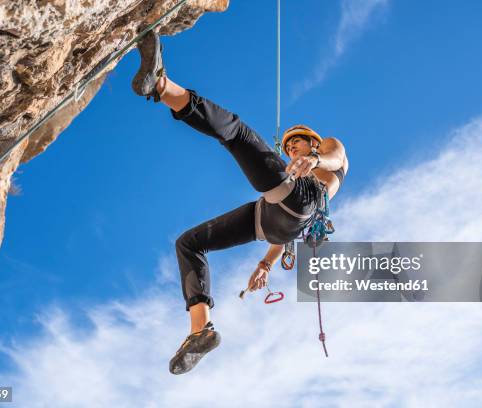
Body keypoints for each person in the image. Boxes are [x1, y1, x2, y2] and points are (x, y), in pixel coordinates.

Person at [132, 30, 348, 375]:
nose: (292, 150)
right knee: (189, 243)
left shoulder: (326, 155)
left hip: (302, 203)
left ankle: (162, 85)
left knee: (237, 133)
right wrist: (265, 266)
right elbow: (283, 234)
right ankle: (200, 330)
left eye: (297, 145)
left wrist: (317, 161)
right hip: (273, 219)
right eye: (288, 148)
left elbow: (337, 157)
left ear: (313, 142)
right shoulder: (290, 176)